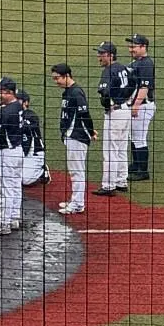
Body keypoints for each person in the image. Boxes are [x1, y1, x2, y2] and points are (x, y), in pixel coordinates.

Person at [51, 64, 95, 214]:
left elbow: (84, 114)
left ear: (66, 76)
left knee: (77, 171)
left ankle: (78, 204)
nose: (55, 81)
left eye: (57, 78)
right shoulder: (69, 92)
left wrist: (90, 131)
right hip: (72, 135)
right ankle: (75, 200)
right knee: (74, 170)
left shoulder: (76, 93)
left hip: (77, 136)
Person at [92, 41, 135, 196]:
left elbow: (104, 93)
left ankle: (109, 185)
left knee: (110, 149)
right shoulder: (123, 68)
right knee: (121, 147)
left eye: (102, 54)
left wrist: (108, 102)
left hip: (115, 113)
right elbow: (133, 84)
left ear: (110, 55)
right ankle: (121, 181)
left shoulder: (108, 71)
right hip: (126, 111)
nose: (99, 56)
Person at [0, 77, 25, 234]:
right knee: (15, 186)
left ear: (9, 92)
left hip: (7, 153)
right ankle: (14, 218)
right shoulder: (18, 106)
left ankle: (4, 224)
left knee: (5, 190)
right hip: (18, 151)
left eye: (0, 91)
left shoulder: (7, 111)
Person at [126, 34, 156, 181]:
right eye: (130, 46)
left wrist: (136, 105)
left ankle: (143, 171)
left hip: (142, 106)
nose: (130, 49)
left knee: (140, 138)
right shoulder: (137, 62)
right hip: (136, 104)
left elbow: (144, 86)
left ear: (143, 47)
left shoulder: (145, 63)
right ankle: (136, 164)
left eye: (134, 46)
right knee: (133, 136)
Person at [16, 87, 51, 186]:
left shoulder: (31, 115)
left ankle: (42, 171)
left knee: (25, 180)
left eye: (18, 100)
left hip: (34, 153)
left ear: (25, 102)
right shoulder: (10, 114)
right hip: (20, 151)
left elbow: (25, 127)